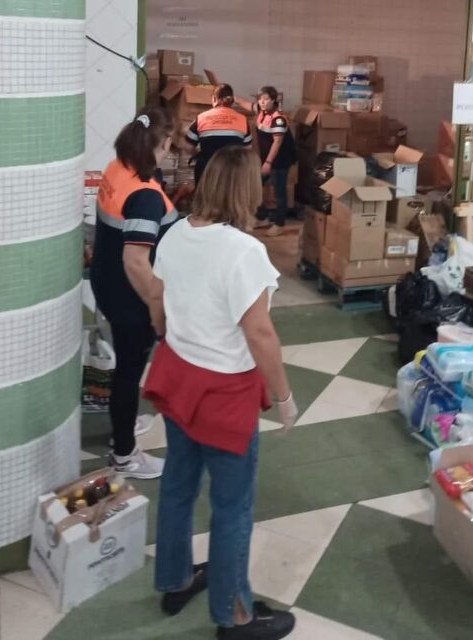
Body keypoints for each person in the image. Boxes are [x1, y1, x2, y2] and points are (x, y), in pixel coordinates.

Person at [144, 146, 298, 639]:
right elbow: (260, 335)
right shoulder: (244, 251)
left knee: (178, 487)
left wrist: (177, 332)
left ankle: (175, 579)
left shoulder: (174, 234)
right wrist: (284, 397)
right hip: (224, 392)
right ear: (249, 190)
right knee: (233, 506)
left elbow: (159, 302)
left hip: (178, 376)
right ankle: (235, 616)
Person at [89, 106, 178, 480]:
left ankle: (124, 422)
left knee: (129, 369)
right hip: (131, 297)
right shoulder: (144, 195)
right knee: (129, 371)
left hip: (106, 282)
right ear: (164, 143)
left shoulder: (118, 168)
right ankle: (124, 454)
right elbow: (137, 262)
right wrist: (157, 309)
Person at [185, 84, 253, 185]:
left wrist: (199, 154)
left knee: (205, 198)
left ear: (214, 98)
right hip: (232, 171)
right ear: (231, 101)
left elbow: (188, 146)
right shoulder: (242, 120)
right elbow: (247, 148)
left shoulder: (201, 118)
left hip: (207, 169)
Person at [254, 86, 296, 237]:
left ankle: (279, 224)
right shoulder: (261, 112)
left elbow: (277, 143)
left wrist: (268, 163)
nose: (262, 102)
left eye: (266, 99)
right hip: (267, 159)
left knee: (279, 192)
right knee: (256, 185)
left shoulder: (278, 119)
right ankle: (262, 217)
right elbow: (244, 103)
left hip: (280, 160)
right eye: (260, 99)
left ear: (273, 100)